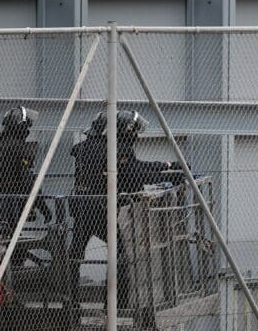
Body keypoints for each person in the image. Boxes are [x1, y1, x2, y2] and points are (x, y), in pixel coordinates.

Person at [69, 110, 182, 311]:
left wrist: (165, 166)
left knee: (75, 254)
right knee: (121, 253)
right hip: (102, 209)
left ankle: (70, 302)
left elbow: (133, 167)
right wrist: (169, 176)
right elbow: (133, 177)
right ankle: (116, 303)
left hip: (82, 206)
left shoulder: (86, 148)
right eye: (133, 131)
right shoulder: (116, 148)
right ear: (123, 130)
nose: (136, 135)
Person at [0, 106, 49, 226]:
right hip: (12, 205)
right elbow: (28, 181)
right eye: (27, 126)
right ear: (21, 127)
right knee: (12, 238)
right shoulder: (21, 148)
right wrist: (44, 209)